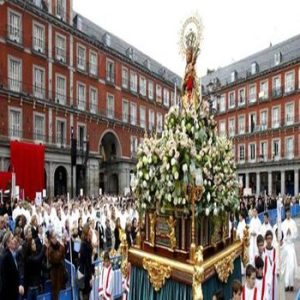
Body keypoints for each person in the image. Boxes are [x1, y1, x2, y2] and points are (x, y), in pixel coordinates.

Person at [0, 231, 24, 300]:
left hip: (14, 294)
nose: (15, 240)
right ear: (7, 243)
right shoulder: (5, 257)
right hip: (8, 296)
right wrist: (17, 287)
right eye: (12, 238)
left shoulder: (13, 254)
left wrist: (20, 284)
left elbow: (16, 273)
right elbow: (5, 281)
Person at [281, 207, 299, 291]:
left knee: (291, 266)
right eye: (286, 212)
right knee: (285, 266)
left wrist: (291, 233)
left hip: (291, 246)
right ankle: (286, 284)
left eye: (289, 212)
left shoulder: (293, 223)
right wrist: (285, 233)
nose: (288, 214)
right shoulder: (283, 223)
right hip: (285, 246)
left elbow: (296, 235)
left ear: (290, 213)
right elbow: (280, 235)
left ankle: (291, 284)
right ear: (285, 213)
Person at [47, 230, 66, 300]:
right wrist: (62, 247)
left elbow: (63, 255)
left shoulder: (58, 245)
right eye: (54, 237)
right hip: (55, 274)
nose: (56, 239)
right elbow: (56, 258)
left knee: (62, 291)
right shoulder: (50, 248)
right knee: (55, 292)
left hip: (61, 272)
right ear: (51, 239)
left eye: (56, 237)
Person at [78, 223, 94, 300]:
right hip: (84, 272)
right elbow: (87, 262)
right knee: (85, 292)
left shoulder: (88, 242)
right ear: (86, 231)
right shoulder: (84, 244)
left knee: (87, 292)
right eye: (89, 229)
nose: (91, 231)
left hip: (85, 270)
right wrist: (90, 276)